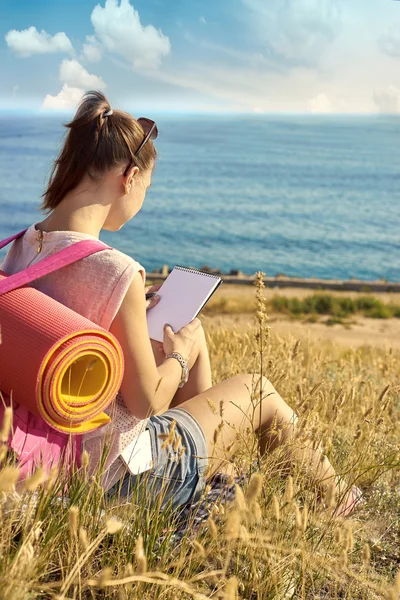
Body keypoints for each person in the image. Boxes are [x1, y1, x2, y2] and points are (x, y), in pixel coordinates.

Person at [2, 91, 361, 515]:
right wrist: (180, 358)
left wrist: (140, 321)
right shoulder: (116, 269)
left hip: (59, 454)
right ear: (129, 177)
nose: (141, 201)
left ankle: (208, 470)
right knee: (258, 390)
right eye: (146, 188)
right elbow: (147, 403)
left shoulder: (20, 248)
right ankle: (341, 507)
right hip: (118, 476)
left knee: (193, 329)